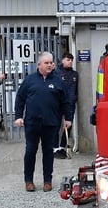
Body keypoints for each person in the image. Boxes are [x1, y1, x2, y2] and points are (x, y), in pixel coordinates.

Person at [14, 52, 73, 192]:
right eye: (46, 63)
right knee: (30, 151)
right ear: (39, 64)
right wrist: (18, 116)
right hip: (32, 123)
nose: (49, 65)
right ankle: (28, 181)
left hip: (50, 123)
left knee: (48, 152)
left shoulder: (58, 81)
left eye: (51, 62)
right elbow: (20, 99)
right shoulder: (30, 80)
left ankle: (48, 180)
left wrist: (68, 118)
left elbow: (65, 101)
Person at [53, 53, 78, 159]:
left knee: (68, 125)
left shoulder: (75, 74)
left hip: (70, 104)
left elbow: (76, 89)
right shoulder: (56, 73)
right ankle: (54, 148)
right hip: (58, 104)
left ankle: (63, 146)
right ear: (63, 60)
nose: (70, 62)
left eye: (71, 60)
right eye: (68, 60)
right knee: (55, 125)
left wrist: (74, 99)